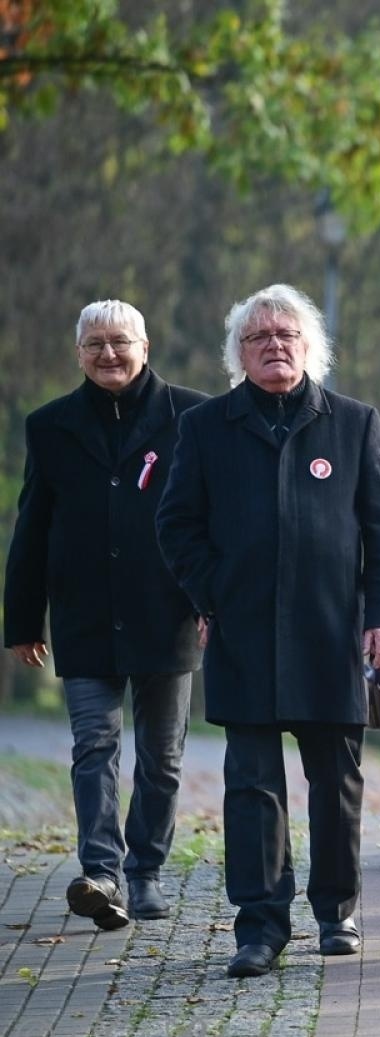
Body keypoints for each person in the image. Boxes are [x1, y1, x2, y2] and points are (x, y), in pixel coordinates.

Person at [156, 284, 380, 978]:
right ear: (239, 353)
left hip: (334, 634)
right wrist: (217, 595)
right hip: (244, 635)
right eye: (258, 336)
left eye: (286, 334)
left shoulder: (354, 423)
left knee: (337, 781)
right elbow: (176, 524)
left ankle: (336, 911)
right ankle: (260, 925)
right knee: (253, 786)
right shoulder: (207, 426)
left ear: (310, 347)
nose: (274, 344)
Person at [4, 300, 207, 931]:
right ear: (78, 354)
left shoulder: (192, 416)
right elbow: (32, 525)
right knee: (92, 746)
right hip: (85, 613)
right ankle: (103, 873)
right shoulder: (51, 426)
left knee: (161, 756)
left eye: (119, 341)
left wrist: (212, 600)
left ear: (145, 346)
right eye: (94, 344)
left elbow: (211, 519)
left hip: (167, 612)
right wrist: (20, 620)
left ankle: (145, 870)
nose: (108, 354)